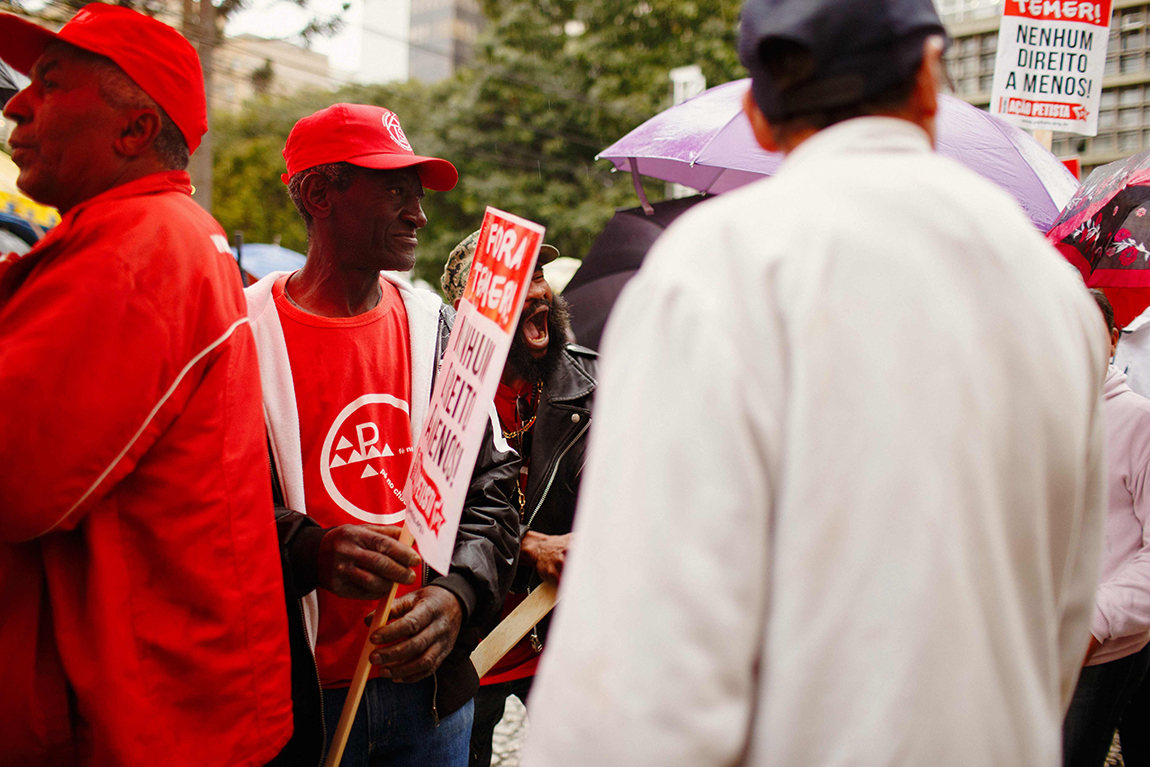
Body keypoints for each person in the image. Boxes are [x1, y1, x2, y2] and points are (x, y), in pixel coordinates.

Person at [521, 0, 1110, 764]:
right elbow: (1064, 617)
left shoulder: (720, 266)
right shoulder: (1055, 293)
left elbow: (644, 663)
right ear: (931, 78)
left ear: (760, 119)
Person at [0, 5, 293, 764]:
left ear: (133, 131)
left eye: (51, 84)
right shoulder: (138, 232)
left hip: (141, 718)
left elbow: (15, 477)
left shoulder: (142, 246)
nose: (15, 103)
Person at [244, 103, 521, 767]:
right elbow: (200, 503)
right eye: (395, 190)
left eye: (418, 195)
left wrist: (456, 597)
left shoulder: (439, 329)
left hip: (427, 701)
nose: (418, 215)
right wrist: (309, 550)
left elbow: (495, 488)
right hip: (295, 703)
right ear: (319, 194)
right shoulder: (240, 333)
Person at [441, 232, 597, 767]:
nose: (538, 293)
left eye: (538, 277)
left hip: (565, 636)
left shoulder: (591, 384)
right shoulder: (438, 391)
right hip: (473, 642)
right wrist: (528, 544)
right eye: (515, 281)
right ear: (472, 311)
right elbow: (427, 507)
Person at [1063, 290, 1150, 767]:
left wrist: (1094, 623)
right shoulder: (1040, 419)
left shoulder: (1139, 422)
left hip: (1102, 651)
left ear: (1114, 341)